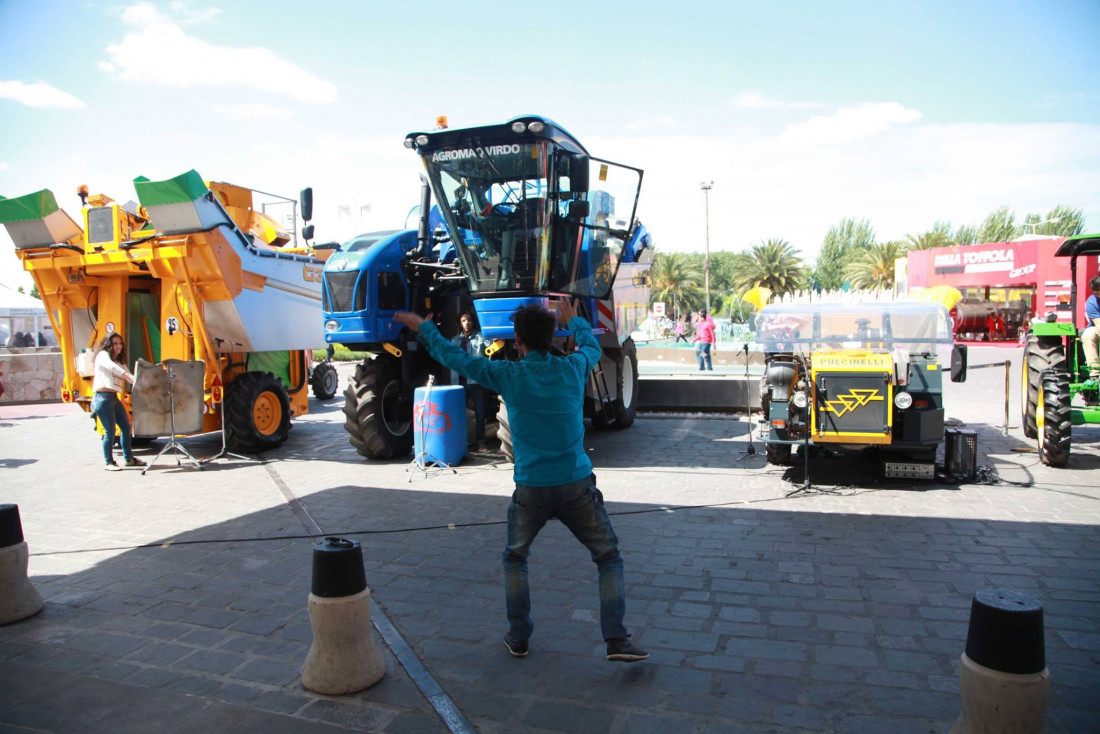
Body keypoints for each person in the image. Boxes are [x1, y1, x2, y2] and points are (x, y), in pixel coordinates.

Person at [394, 300, 648, 663]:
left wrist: (424, 327)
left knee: (515, 557)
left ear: (518, 339)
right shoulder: (574, 368)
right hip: (576, 485)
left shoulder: (509, 375)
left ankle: (519, 636)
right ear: (551, 337)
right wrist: (572, 319)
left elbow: (458, 359)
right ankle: (616, 639)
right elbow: (591, 346)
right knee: (608, 556)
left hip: (531, 489)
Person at [91, 333, 145, 470]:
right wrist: (128, 376)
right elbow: (113, 369)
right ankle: (109, 462)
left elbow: (129, 374)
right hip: (102, 398)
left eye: (120, 343)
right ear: (108, 345)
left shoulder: (119, 361)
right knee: (109, 431)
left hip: (113, 398)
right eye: (114, 343)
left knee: (126, 427)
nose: (118, 346)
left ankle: (129, 459)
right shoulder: (103, 355)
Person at [450, 311, 491, 452]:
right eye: (463, 320)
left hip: (476, 381)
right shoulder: (454, 340)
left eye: (469, 320)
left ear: (473, 322)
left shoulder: (481, 336)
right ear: (460, 324)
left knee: (480, 413)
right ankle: (459, 442)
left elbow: (492, 344)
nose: (467, 323)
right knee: (458, 413)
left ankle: (481, 443)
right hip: (459, 382)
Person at [1082, 275, 1100, 388]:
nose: (1098, 295)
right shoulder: (1091, 302)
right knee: (1088, 335)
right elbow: (1098, 324)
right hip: (1096, 327)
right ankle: (1095, 373)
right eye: (1096, 293)